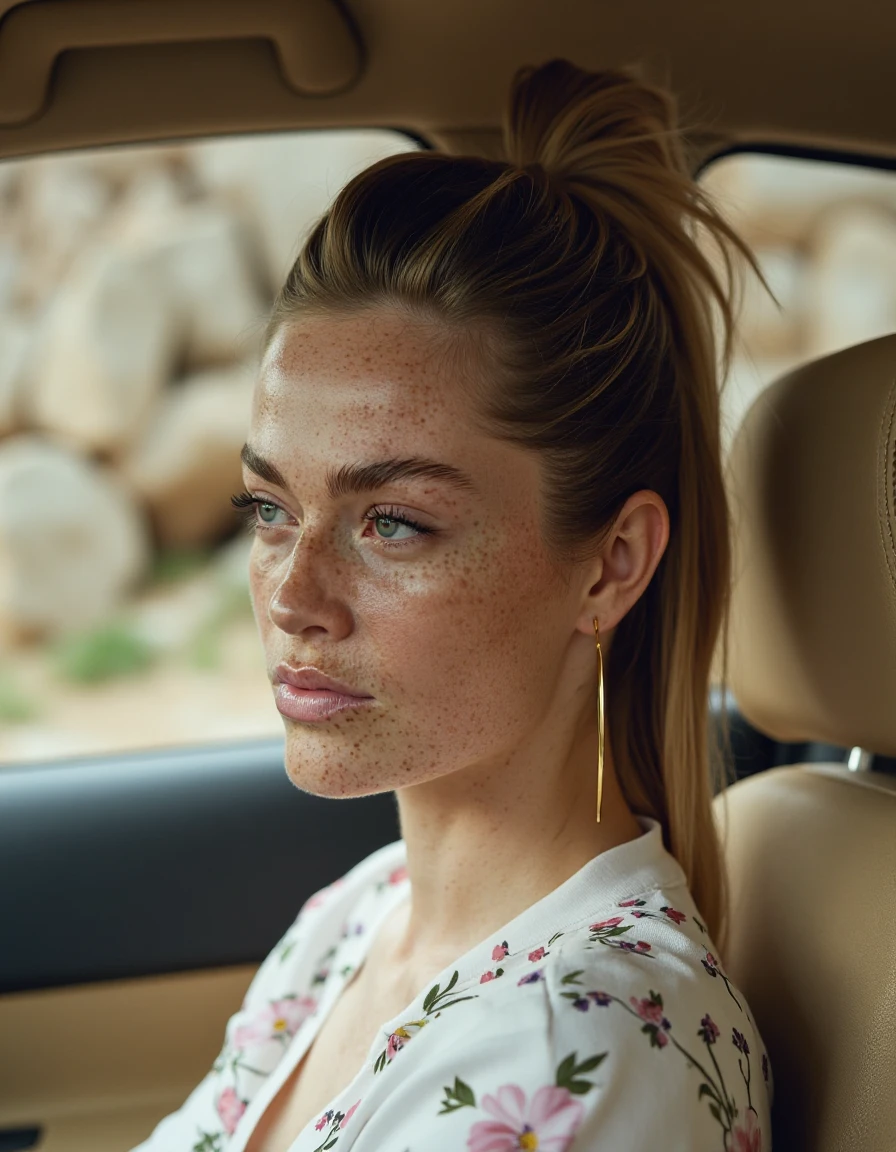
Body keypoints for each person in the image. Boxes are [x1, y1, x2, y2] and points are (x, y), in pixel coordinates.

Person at [131, 58, 772, 1152]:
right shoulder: (359, 917)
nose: (292, 595)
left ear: (610, 564)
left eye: (393, 523)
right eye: (268, 505)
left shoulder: (582, 1047)